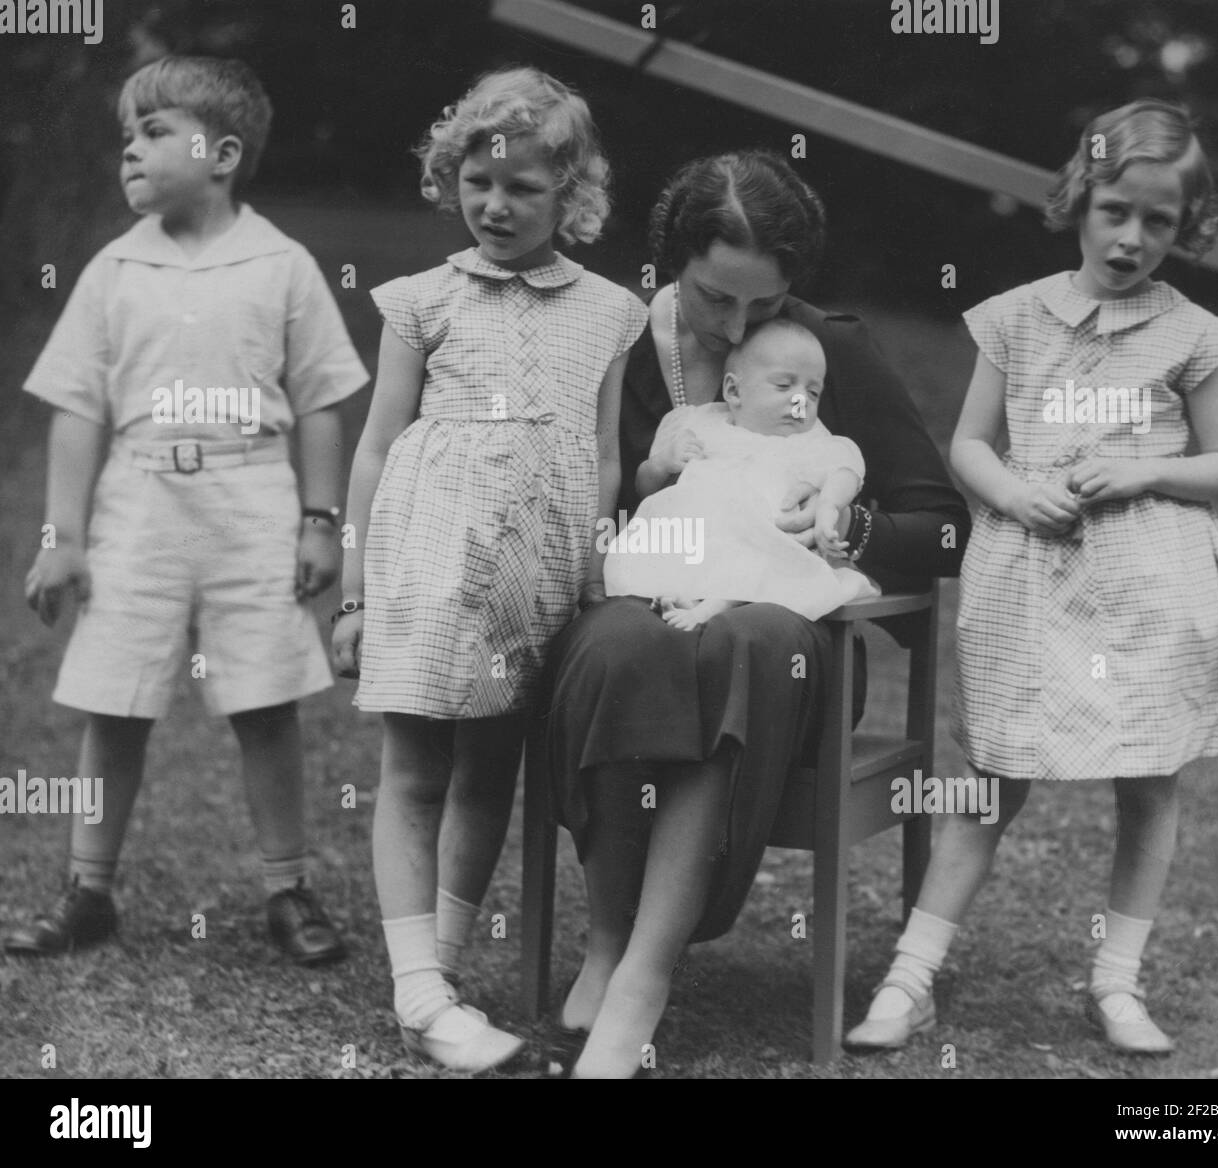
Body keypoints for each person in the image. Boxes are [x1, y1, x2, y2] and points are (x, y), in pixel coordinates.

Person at [846, 100, 1218, 1058]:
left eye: (1159, 221)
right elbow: (968, 441)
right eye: (1117, 209)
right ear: (1082, 198)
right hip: (1031, 576)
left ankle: (1117, 981)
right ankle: (909, 977)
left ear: (1187, 228)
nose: (1132, 238)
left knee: (1150, 780)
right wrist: (1010, 491)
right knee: (996, 776)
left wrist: (1144, 470)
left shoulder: (1192, 334)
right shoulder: (1016, 318)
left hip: (1153, 585)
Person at [540, 150, 970, 1078]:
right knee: (619, 643)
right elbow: (597, 501)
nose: (738, 326)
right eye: (714, 298)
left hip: (792, 643)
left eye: (763, 305)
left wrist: (846, 523)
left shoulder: (825, 354)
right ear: (666, 264)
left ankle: (646, 977)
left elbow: (944, 529)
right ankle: (608, 941)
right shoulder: (613, 341)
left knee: (740, 643)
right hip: (657, 602)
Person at [6, 57, 368, 965]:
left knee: (267, 699)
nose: (130, 149)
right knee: (114, 699)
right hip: (140, 503)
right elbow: (78, 413)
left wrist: (320, 521)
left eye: (155, 132)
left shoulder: (281, 264)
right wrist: (67, 538)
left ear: (222, 152)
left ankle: (287, 886)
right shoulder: (113, 270)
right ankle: (89, 889)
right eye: (126, 136)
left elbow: (322, 400)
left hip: (250, 498)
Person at [330, 66, 647, 1074]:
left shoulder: (607, 312)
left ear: (572, 194)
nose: (496, 205)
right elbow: (376, 446)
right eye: (478, 182)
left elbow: (601, 454)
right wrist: (353, 591)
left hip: (536, 573)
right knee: (418, 768)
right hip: (428, 557)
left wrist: (595, 572)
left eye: (524, 188)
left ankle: (446, 967)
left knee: (491, 772)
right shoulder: (422, 301)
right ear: (449, 177)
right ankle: (419, 985)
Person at [604, 317, 878, 625]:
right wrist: (662, 463)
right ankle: (682, 595)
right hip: (697, 538)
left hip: (762, 540)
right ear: (734, 390)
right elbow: (646, 488)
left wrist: (829, 505)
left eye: (813, 393)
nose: (800, 400)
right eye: (784, 386)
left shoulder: (809, 440)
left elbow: (845, 468)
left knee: (754, 563)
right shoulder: (699, 424)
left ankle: (710, 609)